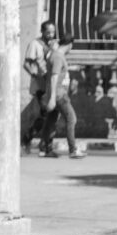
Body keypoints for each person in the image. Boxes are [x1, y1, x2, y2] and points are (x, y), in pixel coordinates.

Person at [23, 22, 77, 158]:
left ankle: (46, 147)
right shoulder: (35, 44)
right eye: (48, 32)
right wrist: (35, 75)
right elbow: (26, 64)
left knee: (52, 117)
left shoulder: (54, 45)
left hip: (51, 85)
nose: (51, 35)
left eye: (53, 32)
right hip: (42, 85)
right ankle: (26, 141)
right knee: (44, 117)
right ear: (42, 31)